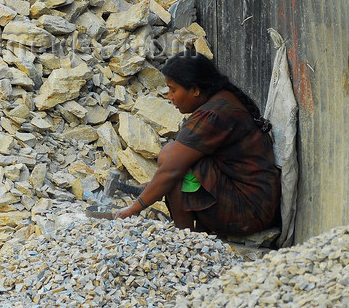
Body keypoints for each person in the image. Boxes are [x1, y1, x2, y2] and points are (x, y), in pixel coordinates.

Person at [114, 50, 281, 236]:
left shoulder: (213, 115)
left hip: (249, 213)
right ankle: (188, 234)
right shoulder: (222, 99)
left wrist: (132, 210)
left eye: (173, 89)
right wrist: (154, 186)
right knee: (173, 161)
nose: (170, 97)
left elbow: (171, 170)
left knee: (173, 162)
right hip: (258, 205)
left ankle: (185, 238)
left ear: (195, 90)